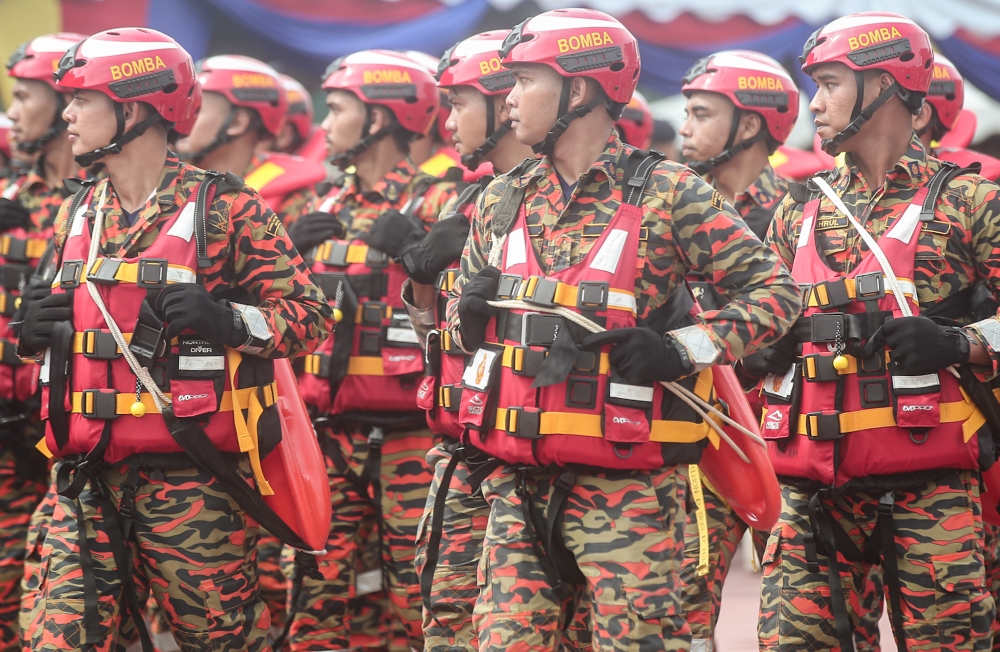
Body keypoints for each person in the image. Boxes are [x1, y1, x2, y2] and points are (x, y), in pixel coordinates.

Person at [446, 9, 801, 651]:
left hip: (628, 497)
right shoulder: (502, 197)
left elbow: (776, 293)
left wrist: (678, 348)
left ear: (578, 90)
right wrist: (464, 315)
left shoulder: (670, 194)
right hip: (515, 493)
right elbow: (463, 334)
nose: (509, 99)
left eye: (525, 80)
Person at [18, 27, 331, 651]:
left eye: (82, 99)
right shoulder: (76, 211)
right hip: (85, 478)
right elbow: (70, 338)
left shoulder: (226, 208)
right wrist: (35, 334)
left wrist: (230, 321)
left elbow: (312, 318)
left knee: (222, 643)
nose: (68, 114)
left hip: (195, 484)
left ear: (132, 110)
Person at [747, 12, 1000, 651]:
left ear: (886, 87)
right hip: (811, 496)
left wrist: (962, 341)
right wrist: (763, 347)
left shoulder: (968, 204)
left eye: (830, 82)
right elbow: (757, 329)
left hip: (931, 493)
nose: (815, 101)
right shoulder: (797, 210)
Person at [283, 49, 458, 652]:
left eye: (336, 110)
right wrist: (284, 252)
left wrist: (422, 249)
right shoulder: (319, 209)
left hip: (414, 438)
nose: (324, 126)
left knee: (421, 605)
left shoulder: (443, 202)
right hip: (327, 438)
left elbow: (481, 314)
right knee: (312, 602)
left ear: (380, 119)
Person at [397, 30, 538, 652]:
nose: (446, 120)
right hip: (461, 454)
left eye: (458, 103)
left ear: (502, 100)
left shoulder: (572, 203)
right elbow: (437, 342)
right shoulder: (470, 200)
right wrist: (422, 284)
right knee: (448, 630)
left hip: (538, 465)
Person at [674, 49, 799, 652]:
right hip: (700, 440)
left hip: (793, 446)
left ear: (749, 125)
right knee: (685, 617)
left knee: (798, 622)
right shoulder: (663, 209)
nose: (685, 127)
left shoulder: (801, 215)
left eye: (701, 113)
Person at [0, 32, 92, 651]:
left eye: (24, 96)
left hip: (81, 440)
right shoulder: (7, 199)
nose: (14, 112)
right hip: (7, 435)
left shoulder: (113, 208)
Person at [175, 55, 323, 227]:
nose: (179, 118)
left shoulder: (293, 201)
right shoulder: (162, 178)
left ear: (236, 123)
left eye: (196, 109)